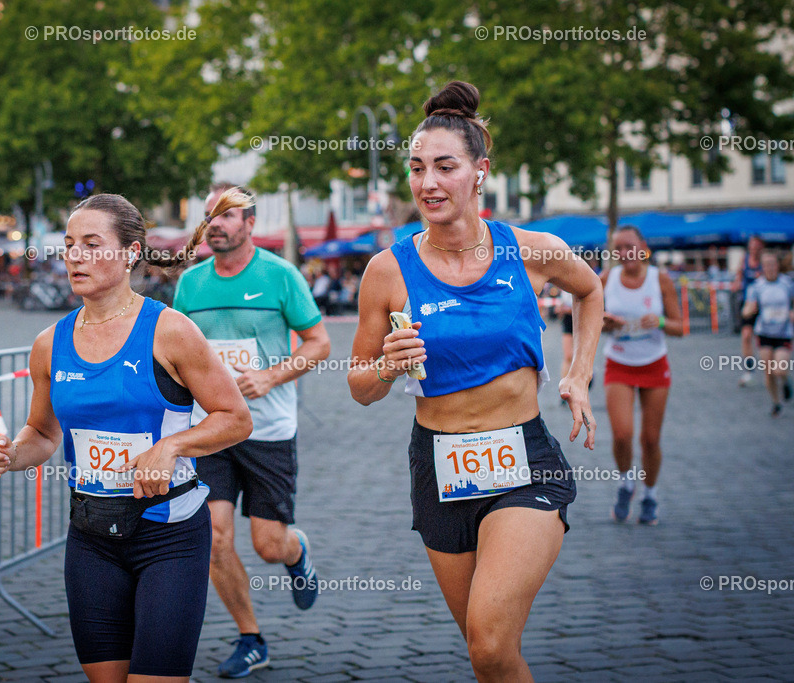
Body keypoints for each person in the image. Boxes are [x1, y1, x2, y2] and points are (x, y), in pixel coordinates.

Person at [347, 81, 602, 682]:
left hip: (523, 460)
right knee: (489, 655)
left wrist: (579, 374)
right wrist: (385, 364)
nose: (428, 183)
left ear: (480, 171)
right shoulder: (386, 270)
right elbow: (359, 385)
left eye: (445, 167)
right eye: (416, 168)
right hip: (438, 465)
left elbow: (589, 290)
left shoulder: (529, 250)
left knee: (488, 642)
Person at [0, 190, 252, 683]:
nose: (75, 256)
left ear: (129, 253)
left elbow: (235, 417)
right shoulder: (49, 343)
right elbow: (42, 432)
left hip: (168, 535)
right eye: (68, 245)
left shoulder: (171, 331)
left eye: (91, 243)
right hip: (91, 540)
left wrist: (171, 446)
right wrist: (11, 453)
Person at [173, 183, 331, 678]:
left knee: (267, 544)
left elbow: (320, 342)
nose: (215, 224)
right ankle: (250, 638)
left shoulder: (281, 276)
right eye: (209, 216)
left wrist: (271, 374)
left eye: (226, 215)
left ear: (249, 223)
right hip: (211, 431)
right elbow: (178, 354)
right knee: (215, 540)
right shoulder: (190, 285)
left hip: (268, 430)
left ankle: (296, 550)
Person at [601, 226, 683, 525]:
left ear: (643, 247)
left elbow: (680, 327)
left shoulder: (659, 279)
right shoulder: (606, 279)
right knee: (622, 435)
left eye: (629, 247)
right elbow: (591, 319)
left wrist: (659, 320)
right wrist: (605, 323)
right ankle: (626, 483)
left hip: (653, 363)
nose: (624, 254)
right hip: (619, 364)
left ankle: (650, 494)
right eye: (618, 249)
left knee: (650, 439)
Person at [742, 251, 794, 416]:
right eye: (767, 265)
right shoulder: (756, 286)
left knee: (780, 369)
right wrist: (749, 310)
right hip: (764, 333)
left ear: (777, 265)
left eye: (773, 264)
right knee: (769, 372)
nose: (770, 268)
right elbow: (746, 310)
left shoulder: (788, 284)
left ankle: (785, 382)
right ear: (762, 267)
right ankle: (776, 402)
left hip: (783, 332)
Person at [736, 235, 765, 386]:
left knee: (762, 339)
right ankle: (749, 370)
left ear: (761, 248)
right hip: (747, 304)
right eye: (751, 246)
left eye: (756, 246)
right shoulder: (745, 260)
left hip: (763, 305)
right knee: (746, 336)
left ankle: (771, 366)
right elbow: (739, 275)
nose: (753, 249)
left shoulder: (765, 263)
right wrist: (737, 283)